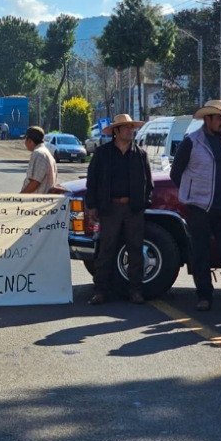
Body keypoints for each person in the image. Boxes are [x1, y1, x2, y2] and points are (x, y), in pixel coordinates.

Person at [170, 100, 221, 312]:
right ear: (207, 119)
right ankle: (204, 296)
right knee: (200, 254)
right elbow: (176, 173)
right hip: (198, 208)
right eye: (220, 117)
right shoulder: (191, 141)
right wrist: (191, 193)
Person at [85, 114, 152, 305]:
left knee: (136, 250)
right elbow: (92, 181)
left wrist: (143, 203)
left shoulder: (140, 155)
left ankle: (136, 291)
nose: (130, 131)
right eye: (126, 128)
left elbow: (149, 183)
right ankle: (100, 291)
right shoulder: (102, 154)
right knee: (106, 250)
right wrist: (92, 206)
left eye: (132, 127)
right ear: (116, 131)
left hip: (133, 209)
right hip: (110, 208)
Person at [20, 126, 57, 194]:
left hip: (36, 200)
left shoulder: (39, 154)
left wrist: (20, 197)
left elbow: (35, 182)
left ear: (29, 141)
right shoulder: (46, 152)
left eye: (25, 139)